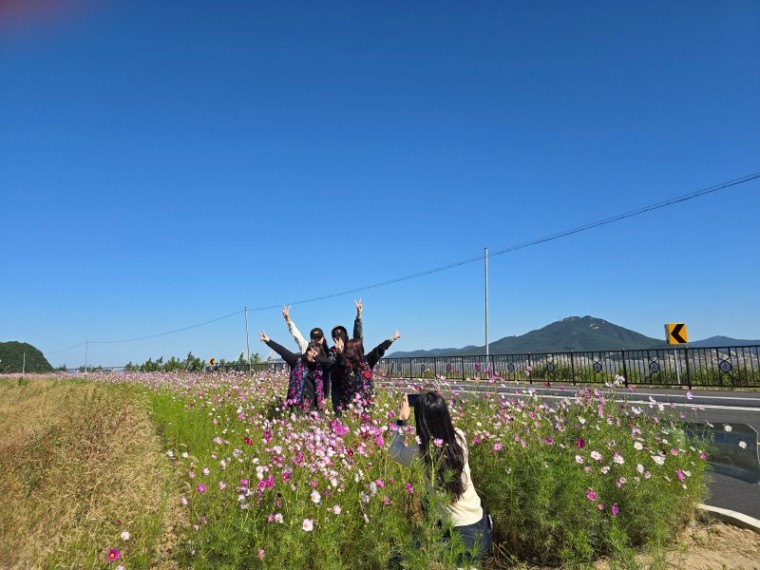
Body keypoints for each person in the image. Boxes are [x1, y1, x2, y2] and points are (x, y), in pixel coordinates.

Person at [389, 391, 493, 563]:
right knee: (428, 503)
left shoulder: (420, 452)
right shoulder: (459, 438)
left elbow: (394, 451)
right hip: (482, 528)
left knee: (398, 560)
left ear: (421, 421)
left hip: (462, 540)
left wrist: (401, 419)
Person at [283, 300, 363, 406]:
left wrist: (358, 317)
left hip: (344, 387)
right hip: (313, 388)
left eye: (319, 338)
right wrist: (288, 320)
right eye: (314, 338)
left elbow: (358, 339)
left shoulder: (341, 349)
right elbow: (297, 335)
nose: (316, 340)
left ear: (323, 338)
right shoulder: (310, 348)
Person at [259, 331, 335, 412]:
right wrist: (268, 341)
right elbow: (283, 351)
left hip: (314, 406)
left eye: (316, 353)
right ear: (306, 352)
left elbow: (332, 364)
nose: (312, 354)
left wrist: (319, 358)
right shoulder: (297, 361)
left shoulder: (321, 367)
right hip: (296, 404)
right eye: (311, 351)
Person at [337, 329, 400, 410]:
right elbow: (340, 363)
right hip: (349, 402)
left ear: (357, 349)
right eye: (347, 349)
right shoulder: (346, 361)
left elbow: (379, 349)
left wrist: (391, 340)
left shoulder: (367, 360)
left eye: (350, 349)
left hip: (365, 401)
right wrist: (339, 353)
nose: (348, 351)